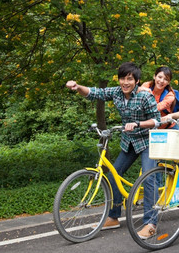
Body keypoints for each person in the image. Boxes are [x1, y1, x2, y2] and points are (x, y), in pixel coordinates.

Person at [65, 62, 161, 239]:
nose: (125, 82)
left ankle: (150, 223)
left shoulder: (144, 97)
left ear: (137, 81)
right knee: (113, 175)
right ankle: (113, 216)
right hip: (129, 142)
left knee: (148, 178)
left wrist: (138, 124)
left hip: (148, 141)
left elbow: (157, 121)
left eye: (130, 79)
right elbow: (94, 93)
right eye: (123, 78)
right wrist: (77, 87)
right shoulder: (116, 92)